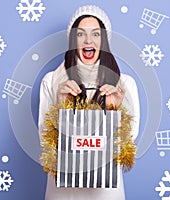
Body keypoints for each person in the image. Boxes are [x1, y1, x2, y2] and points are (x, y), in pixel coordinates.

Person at [38, 5, 140, 200]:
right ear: (72, 40)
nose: (88, 40)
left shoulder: (124, 85)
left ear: (104, 41)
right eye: (80, 34)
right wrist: (61, 107)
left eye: (95, 34)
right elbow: (44, 143)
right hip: (63, 192)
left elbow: (128, 145)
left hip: (106, 192)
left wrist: (114, 109)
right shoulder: (51, 81)